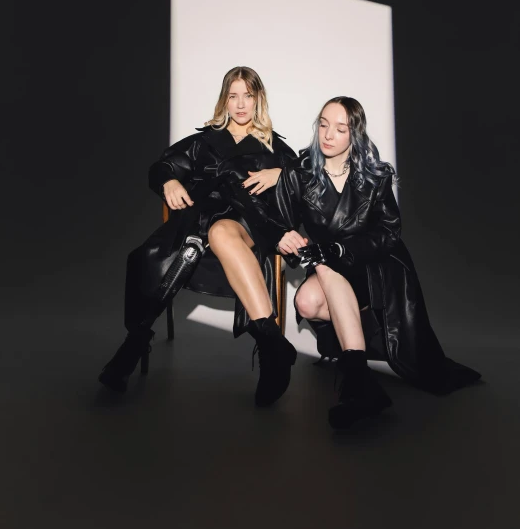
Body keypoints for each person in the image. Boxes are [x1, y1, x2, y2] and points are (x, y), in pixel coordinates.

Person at [275, 96, 481, 430]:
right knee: (306, 301)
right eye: (323, 124)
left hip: (376, 266)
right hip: (332, 267)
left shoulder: (375, 176)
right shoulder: (299, 173)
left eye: (340, 128)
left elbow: (389, 234)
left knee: (326, 263)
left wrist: (338, 251)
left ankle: (357, 381)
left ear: (353, 134)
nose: (328, 135)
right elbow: (280, 221)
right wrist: (284, 238)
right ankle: (359, 365)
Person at [99, 67, 298, 407]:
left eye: (247, 96)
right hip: (199, 223)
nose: (239, 104)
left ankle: (131, 351)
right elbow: (162, 166)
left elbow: (306, 182)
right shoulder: (204, 142)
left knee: (221, 230)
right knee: (170, 250)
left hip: (247, 223)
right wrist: (169, 181)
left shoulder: (274, 149)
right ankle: (272, 343)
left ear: (258, 100)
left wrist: (282, 173)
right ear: (224, 100)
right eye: (233, 96)